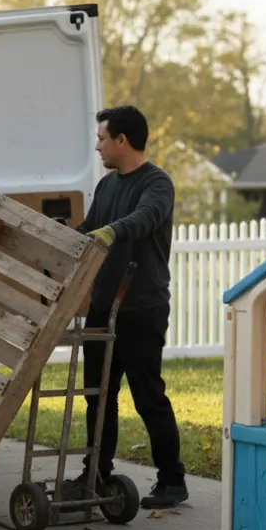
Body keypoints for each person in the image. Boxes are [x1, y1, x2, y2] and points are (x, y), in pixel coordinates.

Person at [64, 105, 188, 509]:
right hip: (104, 304)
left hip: (142, 307)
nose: (97, 146)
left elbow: (144, 218)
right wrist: (63, 238)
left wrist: (111, 231)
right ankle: (96, 474)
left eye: (102, 138)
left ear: (122, 140)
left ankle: (172, 481)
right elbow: (89, 229)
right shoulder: (106, 186)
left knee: (148, 395)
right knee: (98, 395)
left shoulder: (157, 183)